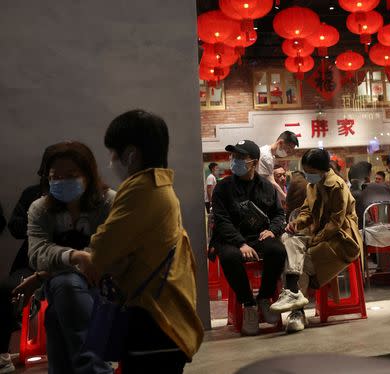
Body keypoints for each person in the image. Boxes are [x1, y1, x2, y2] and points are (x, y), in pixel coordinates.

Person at [80, 110, 203, 372]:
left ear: (131, 154)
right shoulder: (160, 185)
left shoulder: (140, 189)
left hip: (152, 320)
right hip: (164, 316)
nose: (111, 160)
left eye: (113, 153)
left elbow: (101, 252)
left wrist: (99, 254)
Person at [25, 141, 114, 374]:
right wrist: (77, 256)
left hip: (104, 283)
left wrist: (46, 272)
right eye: (55, 176)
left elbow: (110, 249)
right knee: (67, 286)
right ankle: (94, 369)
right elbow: (36, 252)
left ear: (88, 175)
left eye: (71, 175)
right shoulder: (40, 208)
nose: (62, 181)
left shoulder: (109, 202)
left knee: (57, 311)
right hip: (64, 287)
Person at [272, 148, 362, 334]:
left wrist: (314, 240)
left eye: (311, 172)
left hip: (342, 240)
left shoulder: (336, 185)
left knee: (300, 262)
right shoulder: (311, 185)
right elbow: (307, 211)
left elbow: (336, 222)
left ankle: (297, 311)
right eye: (306, 171)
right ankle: (292, 295)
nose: (308, 176)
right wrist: (297, 223)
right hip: (320, 234)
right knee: (288, 240)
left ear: (323, 170)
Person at [210, 139, 287, 336]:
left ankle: (264, 297)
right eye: (233, 156)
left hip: (258, 236)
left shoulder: (267, 187)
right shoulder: (223, 188)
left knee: (277, 250)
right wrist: (240, 243)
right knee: (229, 257)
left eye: (240, 157)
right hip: (230, 238)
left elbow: (279, 214)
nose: (234, 160)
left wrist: (273, 230)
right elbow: (221, 220)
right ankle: (248, 304)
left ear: (253, 162)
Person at [1, 146, 55, 373]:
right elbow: (14, 227)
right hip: (29, 264)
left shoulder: (86, 198)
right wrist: (37, 219)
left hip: (69, 267)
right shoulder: (33, 194)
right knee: (8, 290)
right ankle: (4, 354)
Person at [257, 131, 299, 203]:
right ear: (281, 143)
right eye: (289, 148)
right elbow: (271, 182)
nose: (289, 152)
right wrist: (286, 198)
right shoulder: (266, 155)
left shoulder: (269, 154)